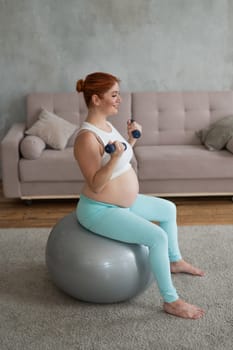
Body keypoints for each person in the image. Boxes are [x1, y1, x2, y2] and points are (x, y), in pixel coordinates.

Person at [74, 72, 205, 319]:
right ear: (96, 99)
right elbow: (96, 183)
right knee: (156, 237)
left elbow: (121, 158)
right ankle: (171, 300)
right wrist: (113, 158)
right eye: (113, 95)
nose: (119, 100)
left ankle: (174, 261)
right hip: (100, 209)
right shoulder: (86, 138)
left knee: (168, 209)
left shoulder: (107, 126)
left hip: (122, 204)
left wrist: (131, 142)